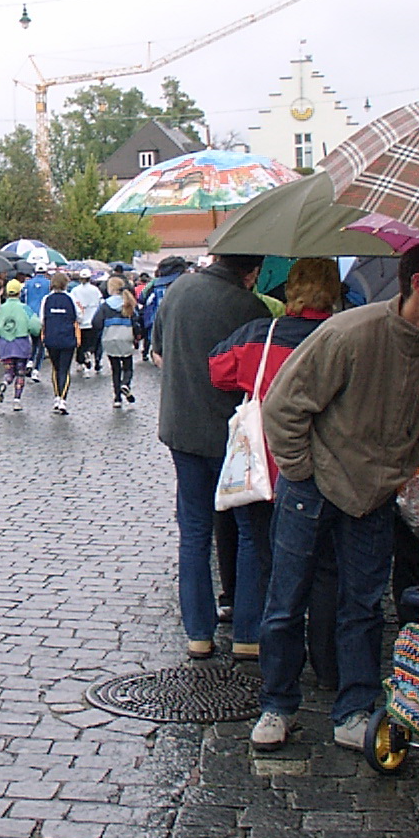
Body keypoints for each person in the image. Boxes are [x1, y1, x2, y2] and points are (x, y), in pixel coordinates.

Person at [253, 242, 419, 751]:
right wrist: (303, 473)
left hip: (373, 495)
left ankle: (355, 708)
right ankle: (277, 705)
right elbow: (283, 406)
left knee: (364, 607)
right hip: (313, 489)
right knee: (286, 602)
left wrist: (402, 464)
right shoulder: (350, 333)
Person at [208, 257, 343, 662]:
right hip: (325, 469)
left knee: (269, 564)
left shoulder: (259, 336)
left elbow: (217, 370)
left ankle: (277, 656)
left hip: (263, 470)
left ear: (290, 291)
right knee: (324, 570)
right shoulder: (343, 335)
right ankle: (324, 660)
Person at [151, 253, 269, 660]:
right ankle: (247, 634)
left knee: (195, 532)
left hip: (181, 429)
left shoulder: (178, 289)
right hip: (233, 437)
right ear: (250, 271)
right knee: (250, 532)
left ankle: (198, 633)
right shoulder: (248, 306)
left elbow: (158, 353)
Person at [0, 280, 41, 411]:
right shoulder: (25, 308)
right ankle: (16, 400)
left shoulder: (0, 309)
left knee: (9, 371)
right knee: (20, 372)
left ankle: (5, 382)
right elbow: (36, 326)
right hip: (21, 344)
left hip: (4, 345)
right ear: (19, 292)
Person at [39, 271, 80, 415]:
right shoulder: (71, 299)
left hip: (51, 338)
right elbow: (78, 317)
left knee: (55, 368)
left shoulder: (46, 299)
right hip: (67, 338)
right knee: (65, 369)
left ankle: (57, 397)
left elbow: (41, 319)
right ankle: (63, 399)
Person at [95, 277, 139, 407]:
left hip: (110, 337)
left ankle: (117, 398)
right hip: (125, 336)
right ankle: (125, 384)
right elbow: (136, 320)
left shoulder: (105, 304)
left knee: (115, 369)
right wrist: (137, 337)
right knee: (128, 366)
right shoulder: (128, 302)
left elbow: (96, 322)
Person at [70, 269, 104, 376]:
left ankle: (82, 362)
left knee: (81, 344)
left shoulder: (75, 290)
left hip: (80, 321)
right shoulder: (95, 290)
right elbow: (100, 303)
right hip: (93, 321)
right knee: (93, 342)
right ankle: (92, 357)